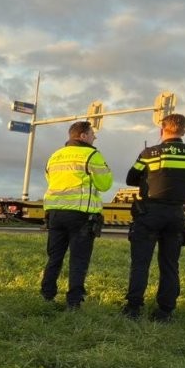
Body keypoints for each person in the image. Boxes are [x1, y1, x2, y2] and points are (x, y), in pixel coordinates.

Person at [121, 113, 185, 322]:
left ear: (161, 130)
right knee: (170, 264)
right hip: (176, 213)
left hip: (149, 212)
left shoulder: (150, 153)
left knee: (140, 262)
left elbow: (131, 178)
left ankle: (133, 308)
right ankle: (166, 311)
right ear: (184, 130)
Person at [40, 121, 113, 309]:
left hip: (55, 213)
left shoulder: (55, 156)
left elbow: (50, 180)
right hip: (81, 215)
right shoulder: (92, 154)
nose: (94, 137)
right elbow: (105, 184)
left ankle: (46, 295)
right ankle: (74, 302)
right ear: (82, 136)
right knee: (78, 260)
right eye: (92, 133)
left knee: (54, 257)